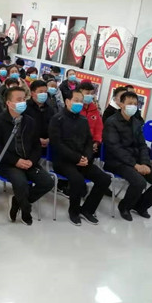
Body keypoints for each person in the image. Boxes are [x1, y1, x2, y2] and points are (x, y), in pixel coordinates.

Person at [0, 87, 54, 226]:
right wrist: (16, 161)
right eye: (18, 100)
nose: (22, 102)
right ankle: (26, 210)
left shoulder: (29, 121)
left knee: (48, 182)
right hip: (9, 163)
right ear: (8, 103)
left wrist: (31, 160)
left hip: (29, 161)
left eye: (24, 99)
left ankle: (17, 201)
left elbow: (36, 146)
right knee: (21, 183)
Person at [103, 91, 152, 221]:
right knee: (139, 182)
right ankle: (124, 207)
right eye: (129, 103)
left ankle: (140, 206)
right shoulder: (112, 122)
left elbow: (142, 145)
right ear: (121, 104)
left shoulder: (136, 122)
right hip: (117, 161)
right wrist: (135, 165)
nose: (133, 106)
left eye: (135, 104)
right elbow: (115, 149)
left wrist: (145, 163)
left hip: (137, 161)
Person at [49, 89, 112, 226]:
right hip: (63, 161)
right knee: (77, 180)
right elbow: (57, 144)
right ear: (67, 101)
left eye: (81, 101)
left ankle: (87, 210)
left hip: (83, 160)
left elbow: (89, 142)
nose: (79, 104)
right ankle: (74, 212)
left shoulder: (83, 120)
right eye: (76, 100)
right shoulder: (57, 119)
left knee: (105, 179)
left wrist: (87, 157)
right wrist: (77, 158)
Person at [25, 80, 55, 154]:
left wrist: (49, 139)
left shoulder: (50, 109)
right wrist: (36, 139)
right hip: (29, 147)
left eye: (45, 92)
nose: (43, 94)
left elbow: (54, 127)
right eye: (40, 92)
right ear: (32, 93)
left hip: (47, 147)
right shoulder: (25, 108)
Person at [79, 82, 103, 156]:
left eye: (91, 94)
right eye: (87, 93)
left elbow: (99, 127)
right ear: (80, 92)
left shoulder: (94, 109)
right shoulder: (76, 107)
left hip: (90, 144)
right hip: (77, 144)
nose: (90, 95)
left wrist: (96, 141)